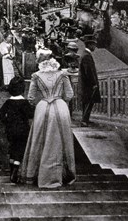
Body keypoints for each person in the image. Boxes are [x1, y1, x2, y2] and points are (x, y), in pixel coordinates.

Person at [19, 49, 75, 188]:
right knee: (61, 141)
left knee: (40, 140)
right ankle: (62, 176)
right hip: (61, 108)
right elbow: (69, 95)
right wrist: (59, 99)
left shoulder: (36, 76)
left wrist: (42, 100)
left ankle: (37, 175)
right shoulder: (62, 74)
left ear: (40, 61)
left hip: (43, 108)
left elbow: (31, 98)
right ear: (53, 60)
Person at [0, 76, 34, 183]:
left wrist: (6, 122)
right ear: (22, 89)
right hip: (23, 130)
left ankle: (11, 171)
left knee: (12, 149)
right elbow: (30, 114)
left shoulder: (8, 102)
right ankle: (15, 173)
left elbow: (0, 113)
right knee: (20, 150)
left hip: (10, 130)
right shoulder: (24, 103)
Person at [78, 34, 101, 126]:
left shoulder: (84, 54)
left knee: (86, 102)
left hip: (85, 84)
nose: (95, 47)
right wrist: (94, 83)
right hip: (88, 84)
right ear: (90, 45)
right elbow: (89, 71)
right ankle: (84, 120)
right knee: (89, 102)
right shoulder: (87, 56)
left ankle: (85, 119)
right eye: (94, 45)